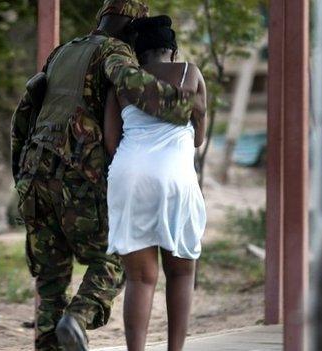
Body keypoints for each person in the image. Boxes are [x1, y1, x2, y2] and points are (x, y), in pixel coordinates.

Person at [10, 1, 204, 350]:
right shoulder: (114, 52)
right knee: (118, 255)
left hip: (33, 175)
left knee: (50, 282)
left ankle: (52, 339)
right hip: (75, 175)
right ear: (131, 28)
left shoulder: (63, 52)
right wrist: (184, 106)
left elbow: (26, 107)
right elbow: (130, 80)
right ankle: (79, 317)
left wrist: (20, 171)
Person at [103, 15, 207, 351]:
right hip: (175, 176)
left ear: (137, 54)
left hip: (129, 175)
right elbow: (197, 139)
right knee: (181, 274)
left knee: (139, 279)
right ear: (172, 51)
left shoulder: (122, 82)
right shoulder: (190, 72)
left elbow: (110, 140)